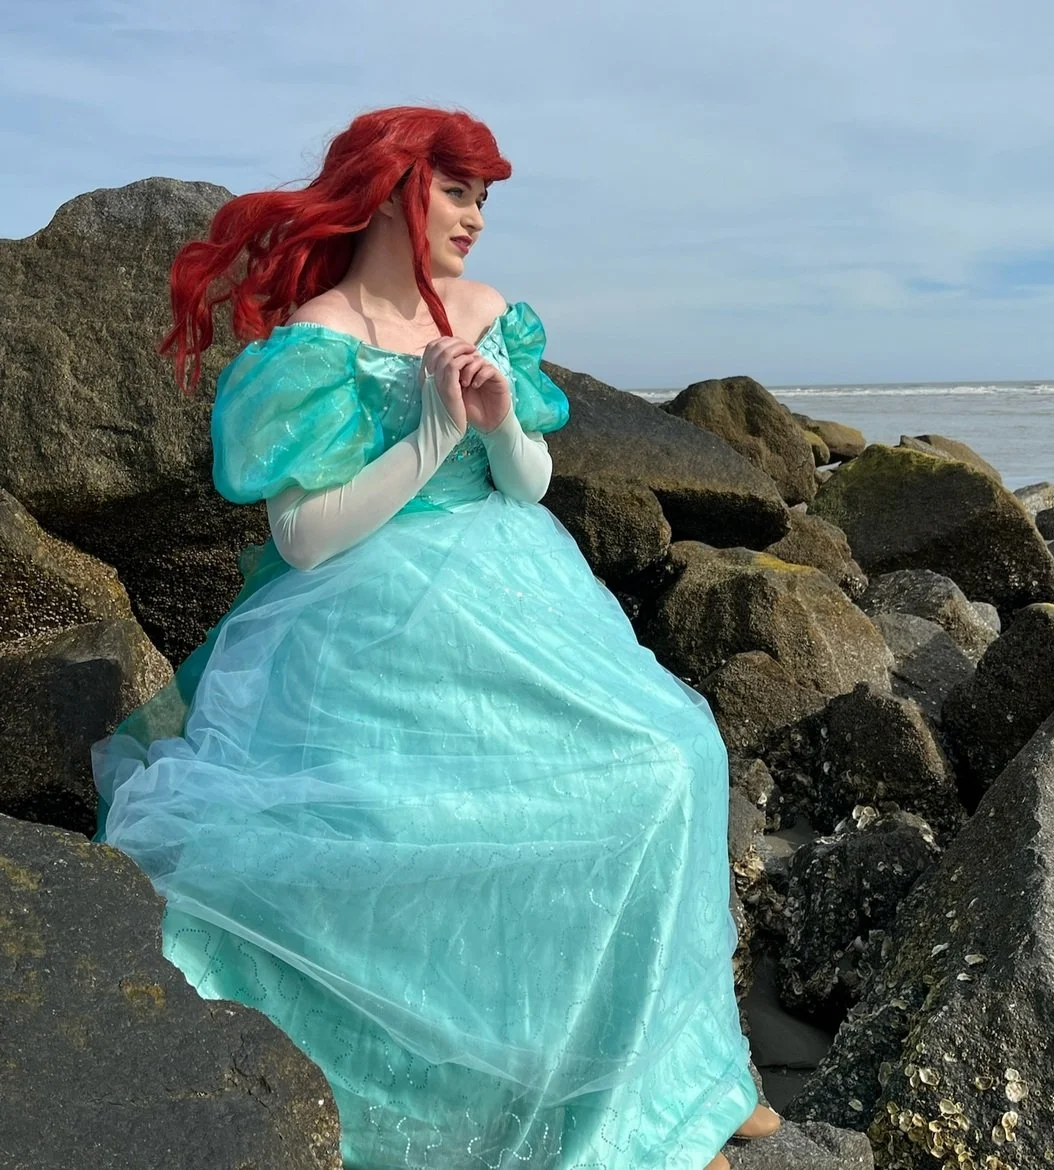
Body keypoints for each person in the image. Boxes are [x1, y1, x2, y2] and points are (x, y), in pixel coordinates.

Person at [91, 105, 780, 1169]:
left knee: (679, 757)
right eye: (457, 193)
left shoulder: (483, 310)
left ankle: (677, 1079)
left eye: (483, 199)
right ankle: (534, 1105)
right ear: (389, 191)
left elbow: (527, 484)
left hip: (519, 590)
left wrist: (500, 420)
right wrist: (429, 435)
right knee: (449, 827)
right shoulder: (315, 341)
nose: (476, 220)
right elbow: (305, 538)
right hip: (363, 619)